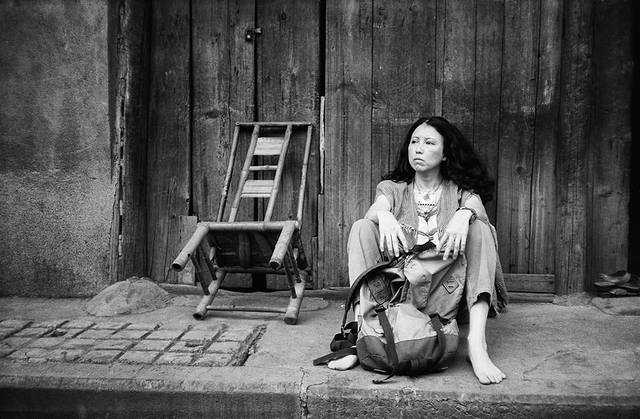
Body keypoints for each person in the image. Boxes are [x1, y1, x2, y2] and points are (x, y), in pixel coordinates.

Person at [329, 116, 508, 385]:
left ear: (445, 153)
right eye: (414, 142)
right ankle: (363, 336)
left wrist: (464, 214)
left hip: (444, 293)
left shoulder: (459, 191)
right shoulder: (394, 189)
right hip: (397, 295)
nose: (419, 149)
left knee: (480, 228)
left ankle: (477, 344)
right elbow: (377, 207)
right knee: (362, 227)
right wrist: (385, 215)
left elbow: (476, 205)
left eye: (429, 143)